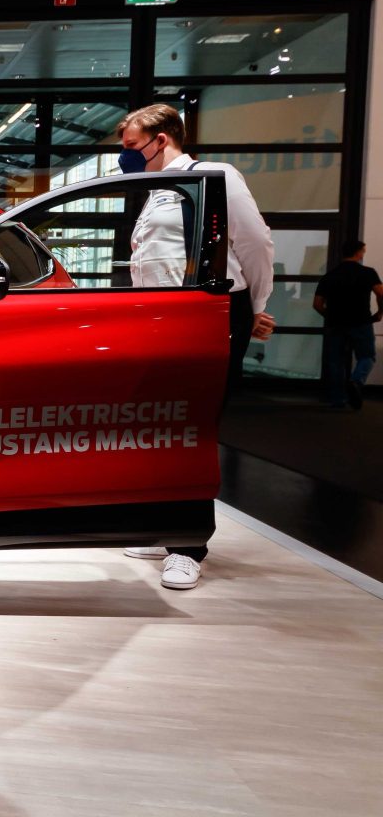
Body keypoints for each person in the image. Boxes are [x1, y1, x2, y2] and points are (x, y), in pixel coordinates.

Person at [116, 104, 275, 590]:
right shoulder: (157, 191)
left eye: (131, 146)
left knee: (192, 430)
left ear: (161, 139)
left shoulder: (213, 176)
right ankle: (165, 526)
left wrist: (255, 306)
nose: (125, 156)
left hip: (210, 316)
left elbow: (256, 245)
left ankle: (188, 548)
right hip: (163, 322)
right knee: (161, 426)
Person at [313, 240, 382, 410]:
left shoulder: (330, 275)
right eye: (363, 251)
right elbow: (381, 293)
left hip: (336, 324)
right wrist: (379, 313)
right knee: (367, 356)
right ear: (358, 252)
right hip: (361, 322)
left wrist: (330, 316)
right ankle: (356, 381)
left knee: (336, 361)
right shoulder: (367, 273)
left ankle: (338, 400)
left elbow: (317, 304)